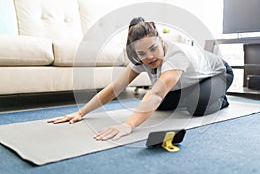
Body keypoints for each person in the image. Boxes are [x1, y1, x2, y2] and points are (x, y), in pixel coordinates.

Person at [48, 17, 234, 141]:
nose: (150, 57)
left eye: (153, 48)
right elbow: (115, 88)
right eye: (142, 53)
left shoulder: (177, 55)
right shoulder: (141, 58)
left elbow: (157, 93)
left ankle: (221, 99)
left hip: (218, 73)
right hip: (188, 82)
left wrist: (128, 125)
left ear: (161, 41)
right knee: (159, 107)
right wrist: (81, 112)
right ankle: (191, 95)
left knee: (196, 106)